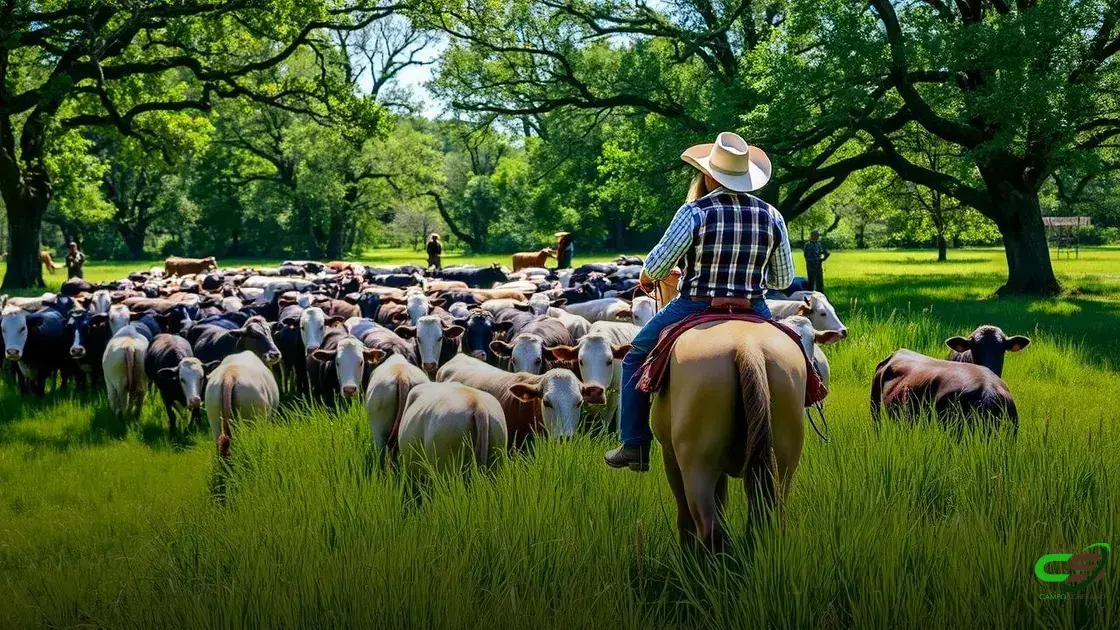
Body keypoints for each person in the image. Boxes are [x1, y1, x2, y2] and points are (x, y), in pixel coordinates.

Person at [604, 131, 795, 472]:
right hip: (755, 308)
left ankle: (633, 443)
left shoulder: (694, 211)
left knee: (635, 356)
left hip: (696, 304)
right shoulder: (772, 216)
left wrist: (647, 278)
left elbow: (658, 266)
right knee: (796, 358)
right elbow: (783, 281)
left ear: (709, 175)